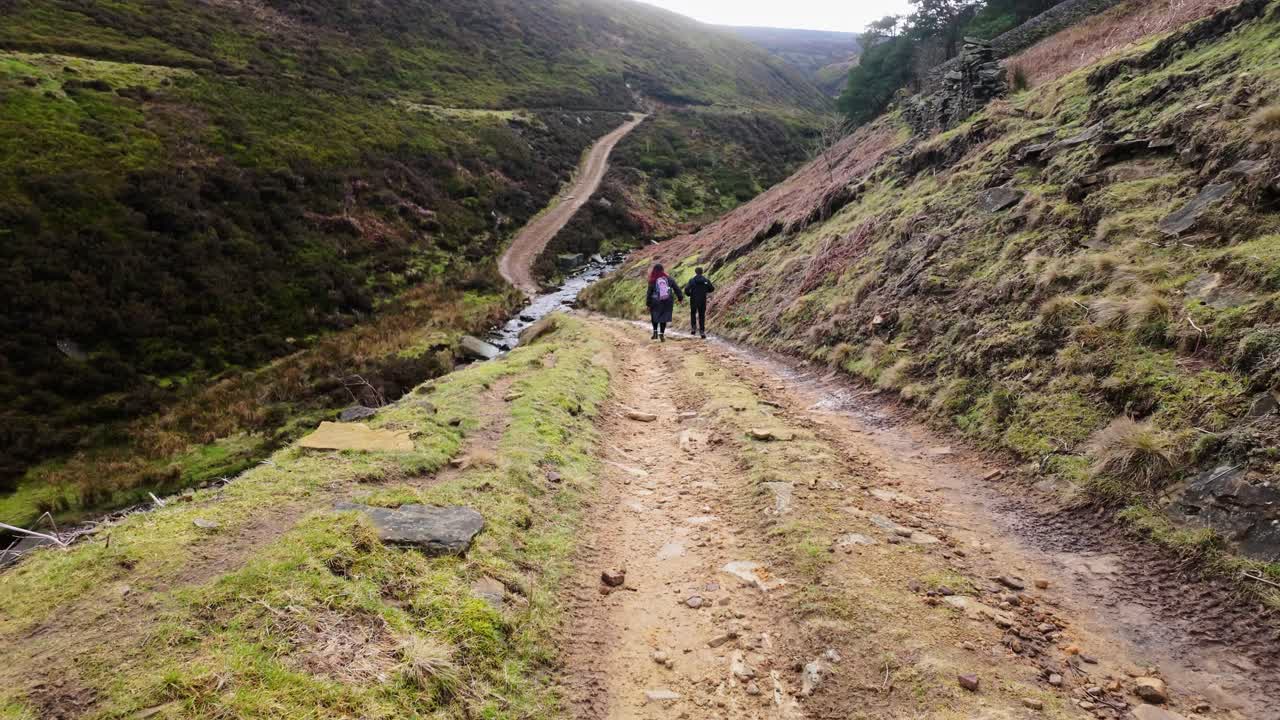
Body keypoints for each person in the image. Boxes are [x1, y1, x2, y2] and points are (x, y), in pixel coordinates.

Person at [645, 263, 683, 341]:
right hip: (667, 300)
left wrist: (648, 304)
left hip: (655, 301)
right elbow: (677, 289)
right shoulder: (669, 279)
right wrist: (680, 298)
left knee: (654, 316)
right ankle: (661, 334)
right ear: (663, 270)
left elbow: (649, 293)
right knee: (664, 317)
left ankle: (655, 333)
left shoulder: (652, 280)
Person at [683, 267, 715, 339]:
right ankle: (702, 331)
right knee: (701, 315)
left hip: (693, 299)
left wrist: (690, 294)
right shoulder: (706, 280)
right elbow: (712, 289)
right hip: (702, 299)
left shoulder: (692, 280)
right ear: (702, 272)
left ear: (695, 272)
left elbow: (686, 289)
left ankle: (693, 328)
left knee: (693, 313)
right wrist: (705, 291)